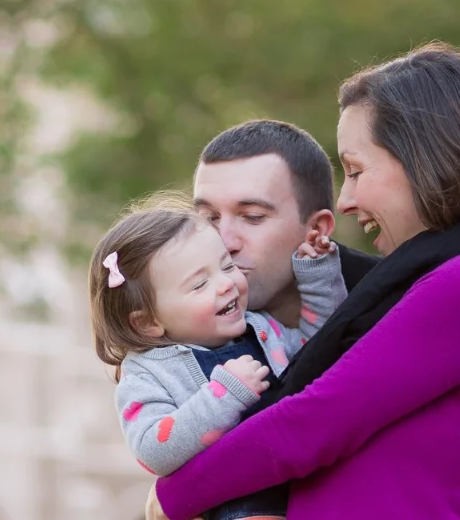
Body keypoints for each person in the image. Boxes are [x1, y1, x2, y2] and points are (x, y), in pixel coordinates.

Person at [145, 43, 460, 520]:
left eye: (356, 171)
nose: (347, 200)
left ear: (425, 160)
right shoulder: (421, 285)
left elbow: (312, 424)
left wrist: (171, 496)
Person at [88, 193, 347, 520]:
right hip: (239, 504)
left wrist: (319, 275)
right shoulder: (147, 373)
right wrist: (223, 395)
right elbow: (153, 450)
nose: (226, 283)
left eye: (227, 266)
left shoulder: (260, 329)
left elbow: (324, 348)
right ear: (148, 321)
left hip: (306, 481)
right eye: (199, 285)